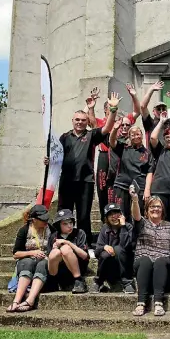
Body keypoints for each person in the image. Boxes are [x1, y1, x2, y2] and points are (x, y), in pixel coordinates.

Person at [49, 92, 120, 246]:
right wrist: (48, 159)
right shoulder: (64, 137)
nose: (80, 122)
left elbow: (107, 128)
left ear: (87, 121)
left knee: (83, 216)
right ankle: (60, 242)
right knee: (63, 214)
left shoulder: (91, 135)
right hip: (67, 181)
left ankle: (84, 245)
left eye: (83, 120)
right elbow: (56, 156)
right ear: (72, 121)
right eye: (77, 120)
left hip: (85, 182)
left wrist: (113, 110)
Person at [85, 85, 141, 222]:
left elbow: (137, 112)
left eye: (114, 107)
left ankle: (123, 219)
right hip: (105, 155)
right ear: (105, 109)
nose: (112, 109)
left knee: (120, 188)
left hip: (121, 156)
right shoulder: (100, 122)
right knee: (103, 188)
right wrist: (91, 106)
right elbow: (91, 121)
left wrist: (133, 95)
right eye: (109, 107)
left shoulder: (121, 122)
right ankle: (106, 220)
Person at [6, 205, 52, 313]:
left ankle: (30, 301)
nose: (46, 222)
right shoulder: (24, 230)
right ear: (34, 220)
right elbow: (16, 254)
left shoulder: (51, 229)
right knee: (27, 262)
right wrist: (32, 252)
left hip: (44, 262)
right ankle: (16, 301)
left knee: (43, 264)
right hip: (27, 261)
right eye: (43, 220)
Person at [110, 121, 152, 221]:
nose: (135, 137)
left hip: (139, 188)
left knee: (138, 216)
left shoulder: (147, 153)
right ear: (129, 137)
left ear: (141, 135)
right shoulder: (123, 148)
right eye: (132, 135)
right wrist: (115, 129)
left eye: (137, 134)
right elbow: (112, 142)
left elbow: (150, 172)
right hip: (121, 186)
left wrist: (147, 190)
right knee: (120, 215)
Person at [92, 203, 135, 293]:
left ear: (121, 215)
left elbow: (126, 246)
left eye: (116, 213)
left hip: (126, 266)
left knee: (118, 249)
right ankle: (98, 282)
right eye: (110, 214)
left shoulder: (128, 227)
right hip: (110, 268)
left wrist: (123, 227)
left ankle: (127, 283)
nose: (114, 216)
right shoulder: (105, 228)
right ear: (106, 218)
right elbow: (96, 252)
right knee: (104, 254)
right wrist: (104, 246)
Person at [47, 209, 89, 293]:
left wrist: (68, 243)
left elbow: (85, 256)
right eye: (65, 224)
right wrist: (54, 249)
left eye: (71, 223)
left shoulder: (79, 233)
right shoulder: (53, 236)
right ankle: (52, 280)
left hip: (78, 266)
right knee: (55, 252)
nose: (69, 226)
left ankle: (79, 280)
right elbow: (49, 257)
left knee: (65, 248)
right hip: (61, 269)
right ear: (59, 225)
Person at [140, 81, 170, 146]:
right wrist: (151, 89)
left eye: (163, 109)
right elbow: (143, 106)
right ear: (153, 112)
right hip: (154, 155)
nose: (161, 111)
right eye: (158, 109)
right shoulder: (150, 123)